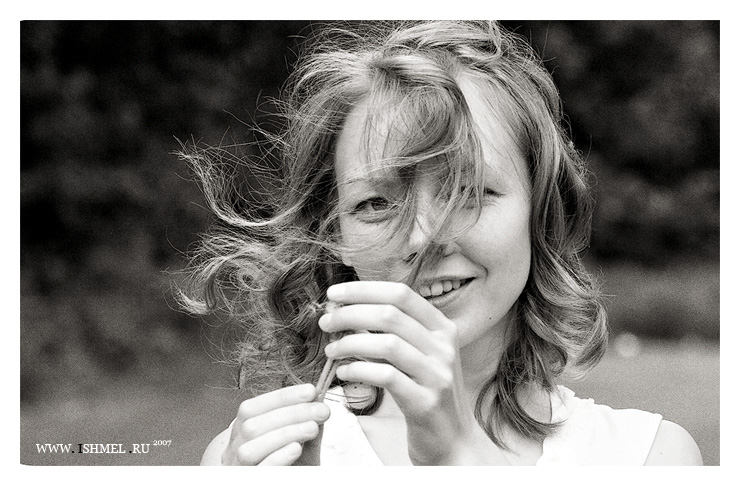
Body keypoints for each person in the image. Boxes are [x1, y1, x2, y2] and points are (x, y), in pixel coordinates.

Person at [177, 20, 703, 466]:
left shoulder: (649, 456)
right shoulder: (256, 457)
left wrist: (454, 458)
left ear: (540, 208)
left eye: (468, 190)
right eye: (376, 204)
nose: (423, 237)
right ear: (333, 234)